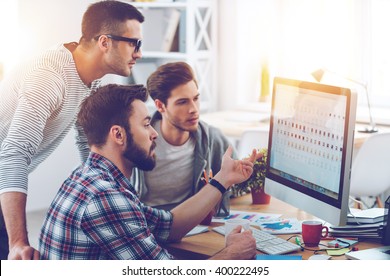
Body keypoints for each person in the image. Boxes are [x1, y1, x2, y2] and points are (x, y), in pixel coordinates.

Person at [39, 84, 257, 260]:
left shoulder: (90, 178)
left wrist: (223, 179)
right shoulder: (105, 197)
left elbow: (169, 226)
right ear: (118, 135)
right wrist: (232, 255)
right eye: (145, 125)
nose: (154, 134)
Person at [0, 1, 144, 260]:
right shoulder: (49, 76)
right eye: (134, 43)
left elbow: (86, 142)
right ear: (105, 42)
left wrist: (110, 196)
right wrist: (19, 243)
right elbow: (13, 156)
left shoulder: (91, 77)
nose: (139, 53)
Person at [131, 62, 236, 213]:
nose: (193, 109)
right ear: (160, 106)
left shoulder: (213, 138)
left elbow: (239, 188)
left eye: (196, 98)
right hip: (148, 224)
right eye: (182, 102)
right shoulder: (140, 140)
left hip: (193, 224)